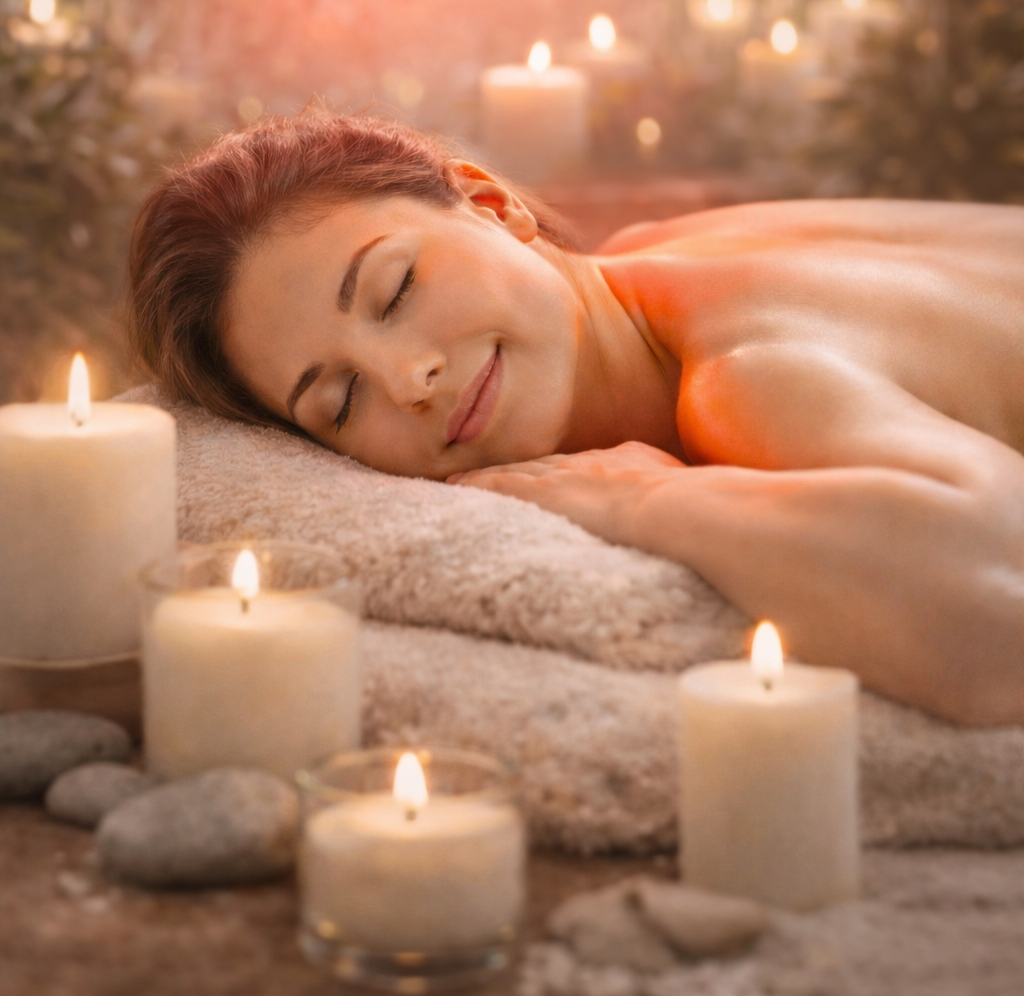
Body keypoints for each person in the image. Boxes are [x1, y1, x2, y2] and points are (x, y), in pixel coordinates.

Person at [127, 110, 1024, 727]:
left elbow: (1001, 621)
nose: (410, 380)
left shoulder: (743, 382)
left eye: (394, 289)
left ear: (491, 203)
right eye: (340, 401)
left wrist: (644, 504)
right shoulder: (653, 252)